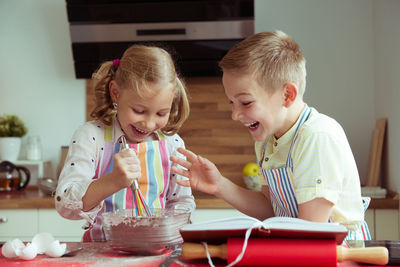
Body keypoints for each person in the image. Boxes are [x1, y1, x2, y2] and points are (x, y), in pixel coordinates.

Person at [171, 31, 370, 240]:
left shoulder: (315, 137)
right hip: (304, 249)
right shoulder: (268, 140)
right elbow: (271, 209)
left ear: (287, 95)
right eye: (232, 102)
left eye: (246, 102)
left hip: (341, 254)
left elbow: (313, 233)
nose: (235, 115)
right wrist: (220, 185)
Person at [55, 45, 195, 242]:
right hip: (101, 255)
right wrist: (112, 181)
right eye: (139, 110)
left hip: (156, 252)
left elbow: (181, 201)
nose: (148, 123)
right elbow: (65, 205)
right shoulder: (91, 137)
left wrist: (166, 233)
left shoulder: (172, 144)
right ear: (116, 93)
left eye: (161, 113)